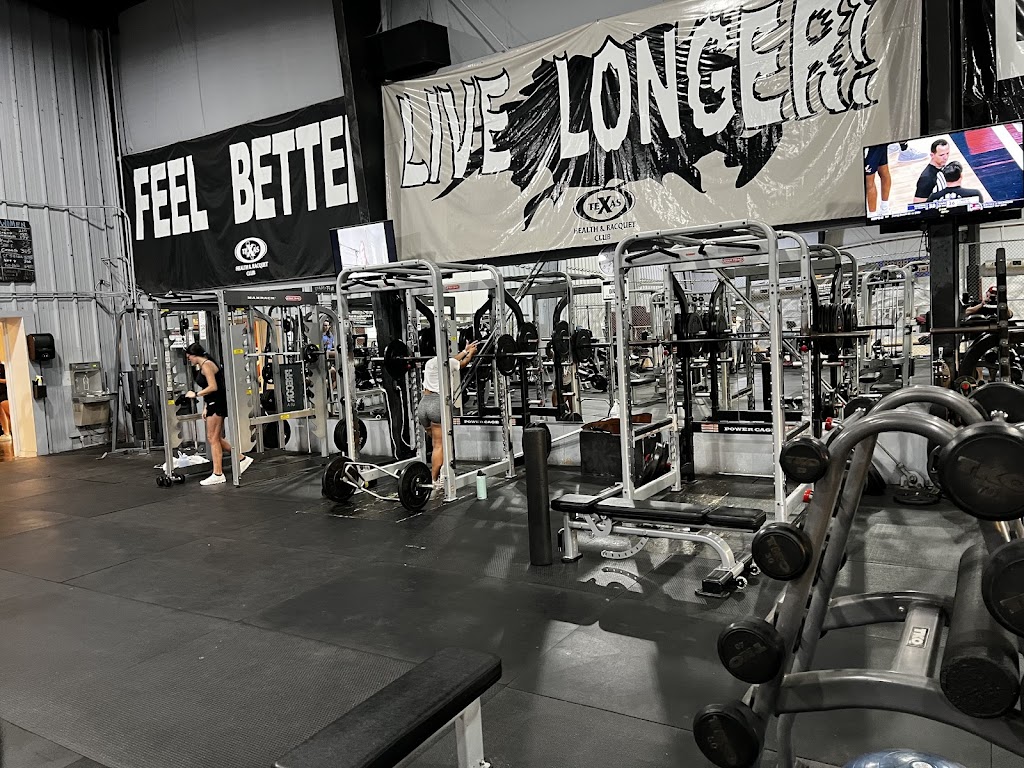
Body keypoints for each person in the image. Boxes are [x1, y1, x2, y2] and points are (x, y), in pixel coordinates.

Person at [184, 343, 253, 486]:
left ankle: (218, 474)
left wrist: (195, 394)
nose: (189, 359)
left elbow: (213, 387)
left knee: (213, 438)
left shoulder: (207, 365)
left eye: (189, 357)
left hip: (217, 404)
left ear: (194, 355)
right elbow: (208, 387)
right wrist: (205, 406)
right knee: (215, 438)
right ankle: (241, 458)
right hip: (212, 403)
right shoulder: (204, 365)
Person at [416, 340, 479, 491]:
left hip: (423, 405)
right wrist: (470, 354)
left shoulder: (430, 362)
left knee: (435, 443)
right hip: (437, 405)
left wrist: (464, 351)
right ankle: (433, 480)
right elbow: (462, 364)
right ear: (447, 349)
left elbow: (452, 360)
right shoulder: (449, 363)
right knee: (439, 446)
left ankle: (441, 469)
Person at [864, 144, 892, 215]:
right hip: (877, 141)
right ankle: (885, 208)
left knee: (868, 179)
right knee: (883, 169)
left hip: (872, 143)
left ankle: (873, 215)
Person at [0, 361, 10, 442]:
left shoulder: (3, 368)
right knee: (2, 413)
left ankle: (8, 432)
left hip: (5, 393)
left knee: (5, 408)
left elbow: (9, 380)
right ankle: (6, 432)